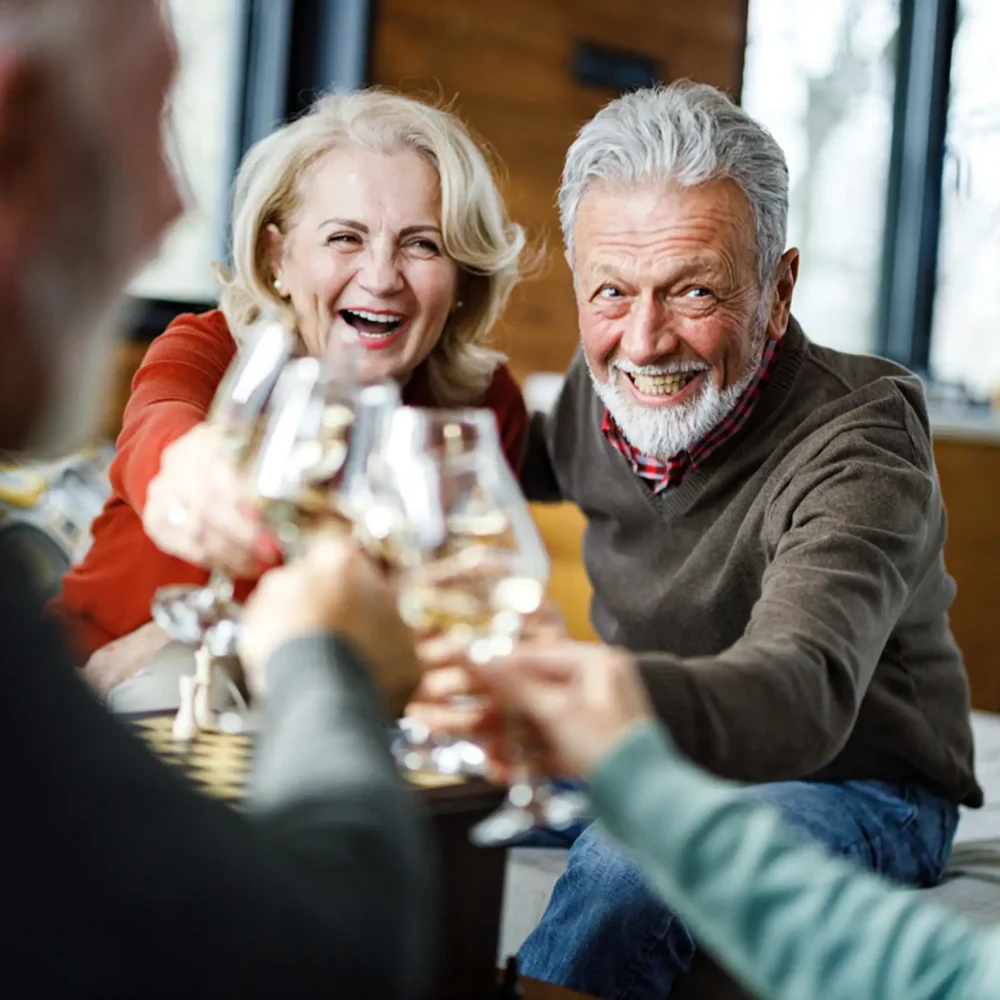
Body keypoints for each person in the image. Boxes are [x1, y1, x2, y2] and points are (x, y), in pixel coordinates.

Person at [408, 81, 982, 998]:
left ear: (779, 288)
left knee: (634, 854)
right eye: (612, 291)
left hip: (857, 779)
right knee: (397, 801)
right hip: (654, 743)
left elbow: (805, 688)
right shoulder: (605, 392)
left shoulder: (861, 442)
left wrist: (589, 701)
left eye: (692, 290)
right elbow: (483, 462)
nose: (644, 340)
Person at [0, 1, 429, 996]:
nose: (172, 203)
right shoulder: (211, 351)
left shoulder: (468, 403)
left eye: (420, 243)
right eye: (149, 127)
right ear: (16, 137)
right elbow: (321, 963)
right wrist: (321, 657)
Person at [53, 85, 530, 690]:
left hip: (318, 716)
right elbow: (162, 432)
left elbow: (439, 622)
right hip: (91, 686)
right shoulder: (211, 349)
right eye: (345, 238)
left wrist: (200, 637)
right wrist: (187, 468)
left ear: (462, 273)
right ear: (279, 256)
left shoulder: (481, 409)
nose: (382, 277)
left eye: (421, 244)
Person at [474, 640, 999, 1000]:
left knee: (627, 857)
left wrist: (612, 720)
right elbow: (479, 491)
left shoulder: (864, 477)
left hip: (868, 780)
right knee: (436, 782)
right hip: (688, 748)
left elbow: (803, 679)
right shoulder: (600, 470)